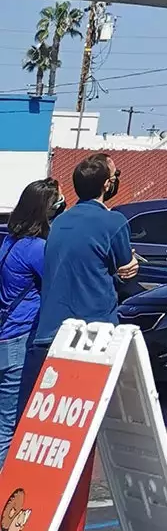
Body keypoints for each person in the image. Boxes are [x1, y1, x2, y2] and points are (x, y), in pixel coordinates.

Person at [21, 154, 137, 415]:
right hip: (94, 335)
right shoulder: (113, 222)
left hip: (51, 333)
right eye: (115, 175)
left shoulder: (60, 222)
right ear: (107, 185)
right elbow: (125, 267)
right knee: (90, 418)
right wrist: (130, 267)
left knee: (55, 416)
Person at [0, 180, 61, 458]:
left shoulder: (8, 242)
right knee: (9, 424)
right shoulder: (36, 248)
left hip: (5, 333)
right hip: (20, 338)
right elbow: (57, 282)